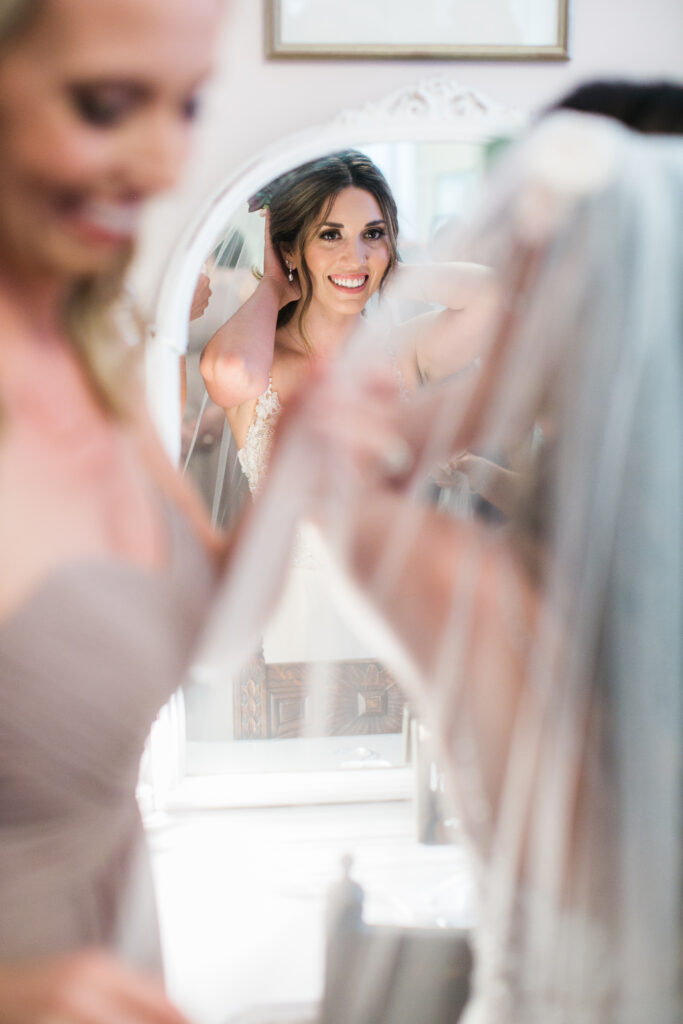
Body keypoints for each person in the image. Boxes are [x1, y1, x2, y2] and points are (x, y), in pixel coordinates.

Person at [244, 110, 682, 1020]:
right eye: (328, 235)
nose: (354, 254)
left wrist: (519, 371)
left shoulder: (460, 587)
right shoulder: (274, 354)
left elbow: (331, 478)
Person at [198, 149, 496, 500]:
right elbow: (231, 373)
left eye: (372, 234)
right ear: (290, 249)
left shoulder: (403, 351)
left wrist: (386, 270)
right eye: (330, 235)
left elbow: (495, 300)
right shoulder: (260, 362)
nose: (355, 256)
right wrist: (274, 286)